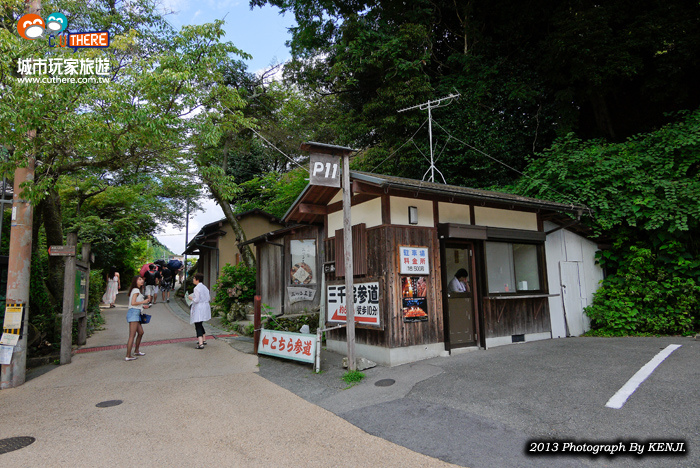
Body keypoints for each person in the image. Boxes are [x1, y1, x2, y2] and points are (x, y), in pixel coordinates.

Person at [126, 275, 151, 361]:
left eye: (142, 279)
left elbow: (135, 303)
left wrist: (143, 305)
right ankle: (128, 355)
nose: (141, 281)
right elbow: (133, 303)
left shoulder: (136, 290)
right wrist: (143, 301)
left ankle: (136, 350)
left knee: (141, 332)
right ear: (135, 281)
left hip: (136, 312)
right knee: (132, 335)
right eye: (139, 279)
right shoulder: (136, 290)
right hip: (133, 313)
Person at [188, 273, 211, 349]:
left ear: (197, 279)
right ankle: (203, 340)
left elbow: (196, 300)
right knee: (200, 323)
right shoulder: (205, 287)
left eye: (194, 278)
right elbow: (208, 298)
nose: (193, 280)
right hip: (205, 306)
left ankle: (200, 343)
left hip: (199, 307)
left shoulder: (196, 288)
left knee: (197, 324)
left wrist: (191, 298)